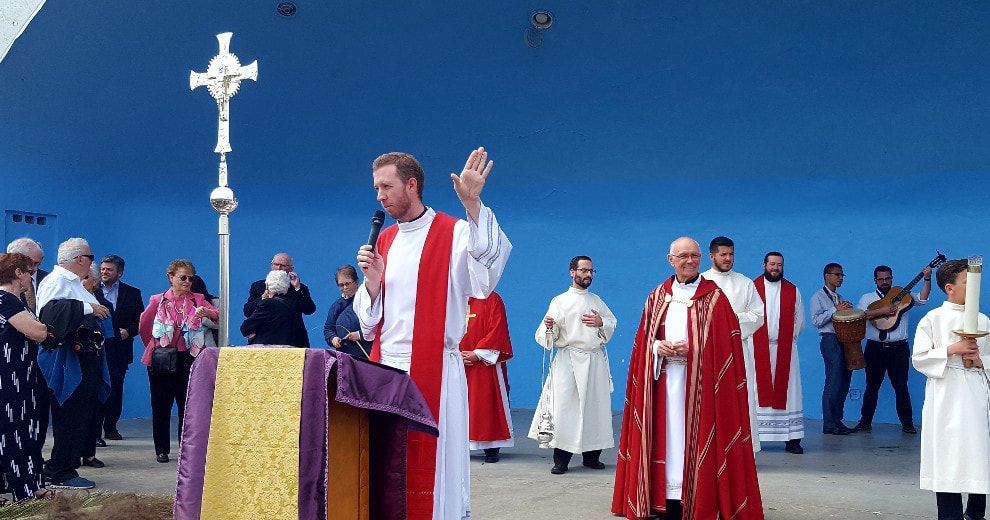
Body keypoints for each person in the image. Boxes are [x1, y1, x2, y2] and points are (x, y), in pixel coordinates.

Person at [354, 147, 511, 520]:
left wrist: (473, 206)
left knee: (433, 463)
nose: (379, 195)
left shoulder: (453, 232)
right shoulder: (386, 240)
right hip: (387, 369)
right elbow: (368, 322)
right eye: (376, 188)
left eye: (386, 186)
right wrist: (373, 283)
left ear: (412, 185)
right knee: (387, 459)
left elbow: (485, 275)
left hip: (434, 369)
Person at [612, 237, 763, 519]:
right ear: (671, 260)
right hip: (664, 385)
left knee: (696, 438)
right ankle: (666, 497)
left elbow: (726, 345)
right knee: (665, 437)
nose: (690, 261)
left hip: (703, 389)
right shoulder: (657, 296)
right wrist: (659, 348)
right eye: (683, 256)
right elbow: (644, 341)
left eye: (694, 256)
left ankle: (697, 498)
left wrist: (694, 350)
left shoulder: (715, 297)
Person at [912, 259, 989, 520]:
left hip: (975, 393)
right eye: (968, 282)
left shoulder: (982, 320)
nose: (974, 288)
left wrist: (980, 360)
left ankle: (976, 512)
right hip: (945, 393)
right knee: (947, 454)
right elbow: (919, 358)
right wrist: (951, 350)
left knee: (978, 452)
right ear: (949, 288)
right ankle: (949, 515)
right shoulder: (933, 319)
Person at [527, 256, 616, 474]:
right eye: (583, 270)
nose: (587, 275)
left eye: (591, 271)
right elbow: (546, 336)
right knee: (564, 409)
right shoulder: (560, 301)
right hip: (569, 361)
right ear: (572, 272)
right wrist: (550, 326)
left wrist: (601, 322)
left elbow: (611, 322)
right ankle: (561, 459)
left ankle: (592, 456)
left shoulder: (597, 301)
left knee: (594, 409)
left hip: (594, 361)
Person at [36, 237, 111, 490]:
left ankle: (66, 463)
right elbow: (51, 316)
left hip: (84, 357)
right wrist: (88, 307)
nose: (92, 262)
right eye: (90, 257)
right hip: (69, 360)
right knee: (70, 412)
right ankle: (61, 469)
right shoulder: (57, 282)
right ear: (80, 259)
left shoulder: (73, 283)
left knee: (81, 413)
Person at [139, 259, 219, 464]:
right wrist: (157, 344)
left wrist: (207, 313)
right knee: (161, 406)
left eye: (190, 279)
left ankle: (186, 449)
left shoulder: (197, 298)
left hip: (188, 357)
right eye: (182, 278)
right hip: (162, 356)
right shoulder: (158, 300)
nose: (187, 282)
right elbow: (144, 326)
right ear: (171, 277)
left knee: (187, 406)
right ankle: (162, 449)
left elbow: (218, 315)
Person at [0, 253, 55, 502]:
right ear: (18, 273)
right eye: (28, 272)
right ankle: (24, 489)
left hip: (21, 376)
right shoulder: (6, 301)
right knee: (15, 432)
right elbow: (38, 330)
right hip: (10, 379)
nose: (31, 278)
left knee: (24, 431)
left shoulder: (14, 300)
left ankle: (29, 485)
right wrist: (43, 328)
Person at [701, 236, 764, 452]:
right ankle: (712, 448)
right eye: (723, 254)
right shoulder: (701, 283)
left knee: (741, 398)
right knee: (711, 400)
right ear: (712, 256)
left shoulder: (745, 283)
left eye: (731, 254)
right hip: (708, 352)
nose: (728, 259)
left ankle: (743, 449)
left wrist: (731, 322)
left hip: (738, 349)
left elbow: (758, 315)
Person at [853, 265, 930, 434]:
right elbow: (861, 315)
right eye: (881, 279)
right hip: (874, 348)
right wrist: (883, 310)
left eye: (887, 278)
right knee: (872, 386)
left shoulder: (903, 296)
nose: (884, 282)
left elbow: (923, 299)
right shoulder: (868, 298)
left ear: (891, 278)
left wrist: (927, 278)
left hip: (898, 348)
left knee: (901, 386)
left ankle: (907, 425)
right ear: (875, 281)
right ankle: (865, 422)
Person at [752, 252, 806, 454]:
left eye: (779, 265)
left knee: (790, 391)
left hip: (785, 350)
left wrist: (784, 339)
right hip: (757, 349)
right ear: (764, 264)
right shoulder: (752, 289)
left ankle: (792, 439)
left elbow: (799, 322)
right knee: (757, 392)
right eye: (772, 264)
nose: (775, 268)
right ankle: (755, 438)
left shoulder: (793, 291)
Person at [6, 237, 51, 445]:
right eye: (30, 264)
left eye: (38, 263)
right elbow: (38, 330)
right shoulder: (6, 297)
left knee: (36, 412)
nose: (33, 269)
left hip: (32, 363)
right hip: (11, 370)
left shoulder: (47, 279)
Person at [460, 292, 513, 464]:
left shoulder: (492, 299)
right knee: (457, 404)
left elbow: (498, 329)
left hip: (484, 362)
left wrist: (477, 354)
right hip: (456, 360)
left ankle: (491, 447)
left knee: (486, 402)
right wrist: (453, 352)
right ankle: (459, 446)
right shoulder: (453, 297)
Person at [96, 254, 144, 441]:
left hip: (121, 349)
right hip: (98, 347)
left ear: (120, 273)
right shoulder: (91, 291)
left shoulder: (132, 293)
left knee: (116, 387)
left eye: (109, 270)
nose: (104, 273)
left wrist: (128, 331)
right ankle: (95, 431)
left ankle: (111, 426)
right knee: (98, 386)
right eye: (102, 269)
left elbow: (140, 321)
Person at [809, 262, 856, 435]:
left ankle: (837, 420)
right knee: (833, 381)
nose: (840, 278)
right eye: (837, 274)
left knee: (844, 380)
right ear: (827, 276)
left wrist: (845, 311)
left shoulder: (838, 296)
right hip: (830, 340)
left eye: (842, 275)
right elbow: (816, 321)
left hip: (842, 340)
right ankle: (829, 423)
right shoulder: (818, 297)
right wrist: (835, 310)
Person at [243, 253, 315, 347]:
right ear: (271, 266)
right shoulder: (258, 286)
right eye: (276, 264)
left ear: (291, 269)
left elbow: (309, 309)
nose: (278, 268)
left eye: (283, 265)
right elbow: (247, 311)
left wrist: (297, 288)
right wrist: (262, 298)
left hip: (292, 340)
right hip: (263, 340)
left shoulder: (299, 288)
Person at [240, 270, 299, 346]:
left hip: (267, 351)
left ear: (267, 285)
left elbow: (245, 328)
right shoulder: (291, 304)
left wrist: (251, 331)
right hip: (287, 349)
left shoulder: (267, 304)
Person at [323, 265, 370, 358]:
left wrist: (359, 335)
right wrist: (333, 338)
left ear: (356, 282)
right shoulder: (336, 306)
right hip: (345, 358)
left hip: (368, 355)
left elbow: (378, 325)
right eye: (341, 285)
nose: (345, 287)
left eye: (348, 283)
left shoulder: (368, 301)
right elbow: (328, 329)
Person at [190, 275, 219, 349]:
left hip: (211, 344)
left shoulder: (215, 301)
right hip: (189, 345)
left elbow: (221, 323)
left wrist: (200, 318)